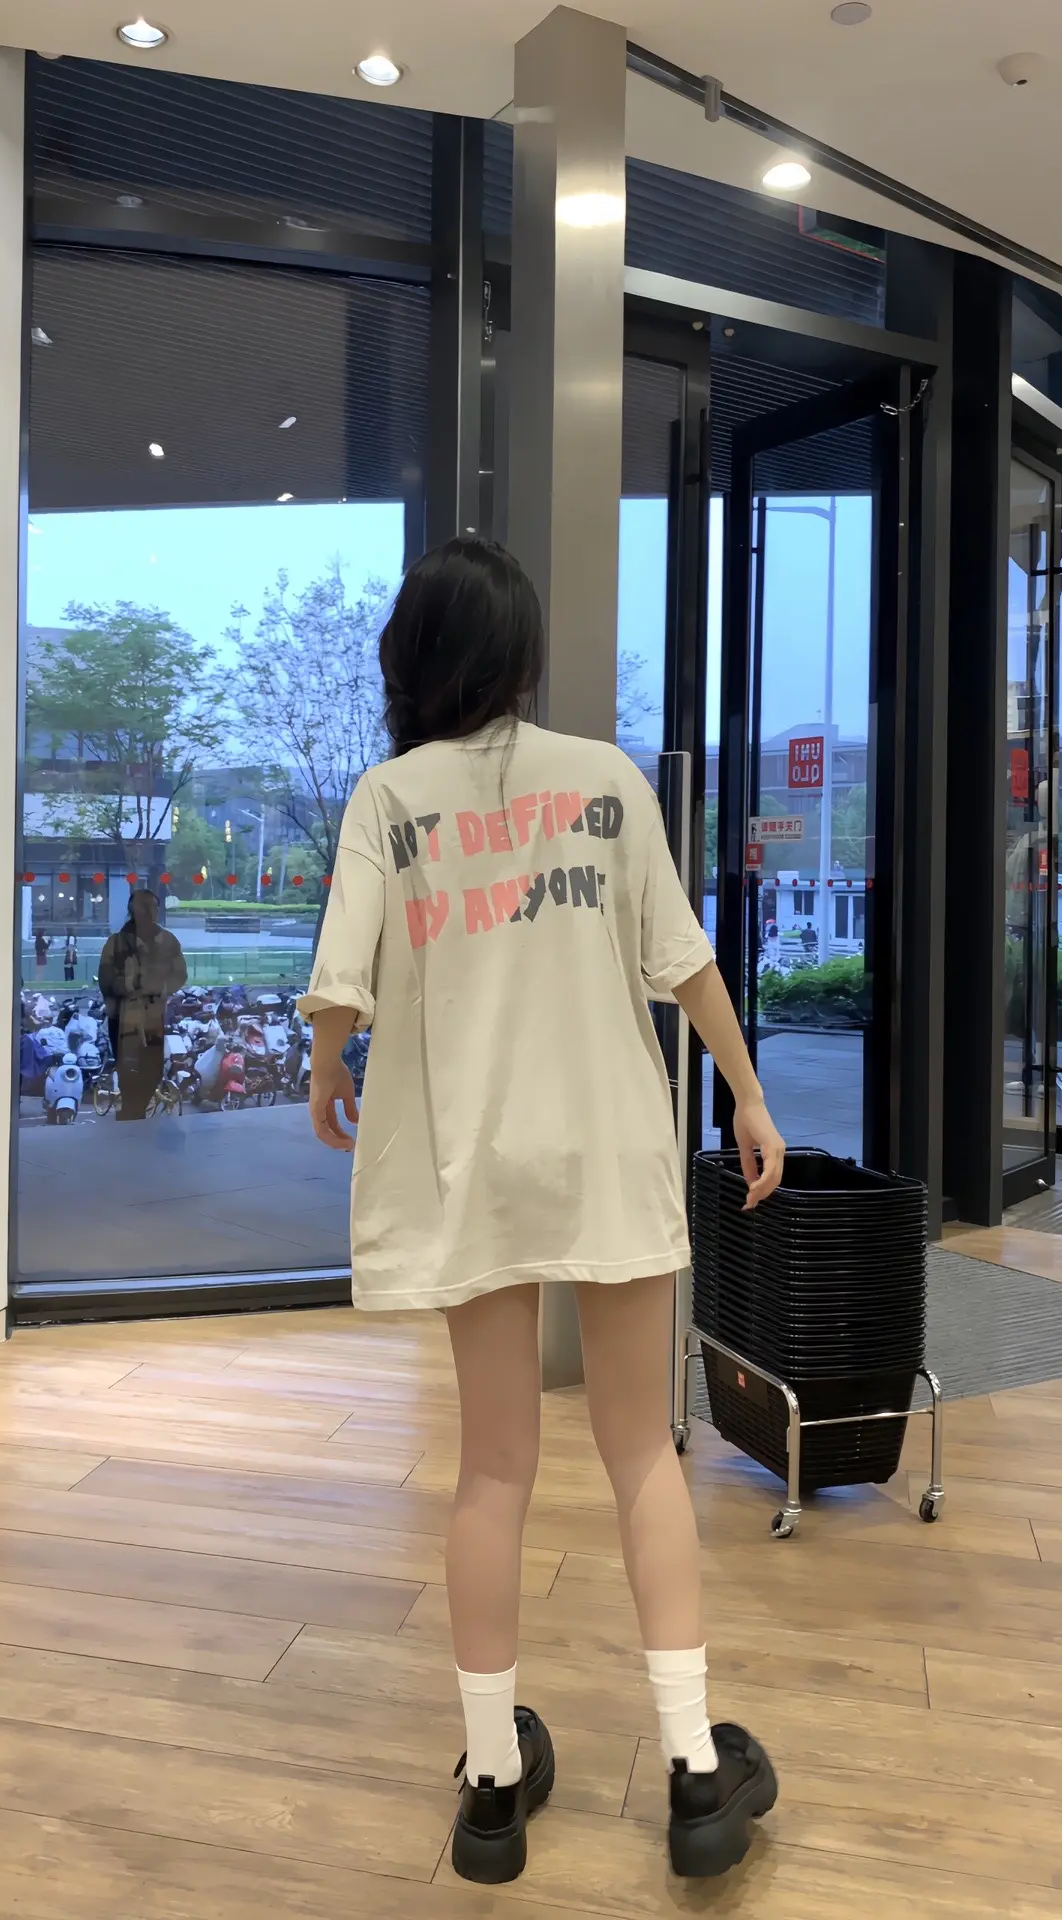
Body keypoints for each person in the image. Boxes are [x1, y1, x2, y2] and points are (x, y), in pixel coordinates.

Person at [300, 538, 786, 1887]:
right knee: (640, 1454)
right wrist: (747, 1095)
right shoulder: (608, 780)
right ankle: (694, 1771)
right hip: (606, 1147)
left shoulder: (388, 799)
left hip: (474, 1163)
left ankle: (493, 1786)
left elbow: (342, 980)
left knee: (495, 1468)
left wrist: (330, 1069)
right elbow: (684, 961)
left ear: (409, 659)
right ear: (520, 657)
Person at [97, 889, 187, 1120]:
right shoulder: (115, 943)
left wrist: (160, 988)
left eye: (152, 907)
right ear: (132, 910)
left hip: (153, 1017)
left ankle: (135, 1112)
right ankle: (130, 1114)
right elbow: (105, 979)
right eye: (143, 907)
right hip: (124, 1020)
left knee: (153, 1070)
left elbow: (180, 974)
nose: (149, 912)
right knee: (128, 1072)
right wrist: (127, 987)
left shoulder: (168, 942)